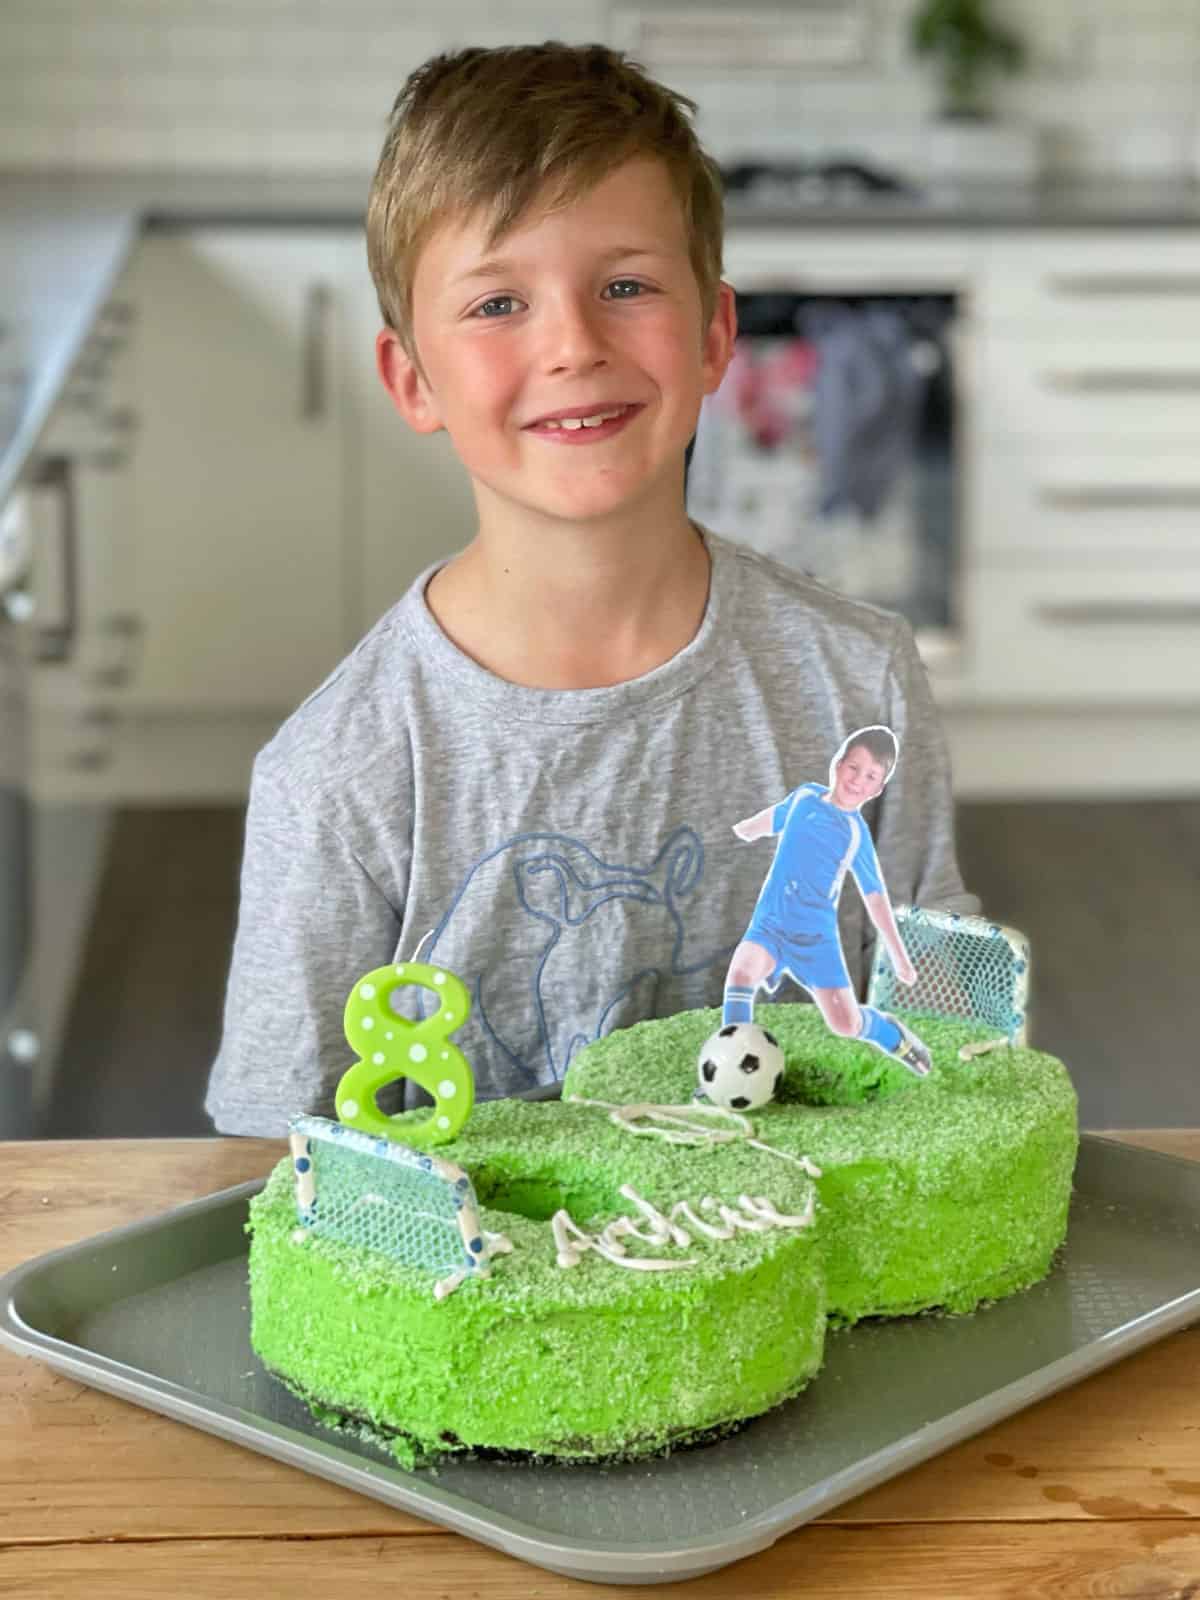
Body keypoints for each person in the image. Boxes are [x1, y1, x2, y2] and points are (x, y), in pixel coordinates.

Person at [205, 41, 977, 1136]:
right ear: (411, 380)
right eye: (496, 304)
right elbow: (276, 1156)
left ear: (715, 334)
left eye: (625, 286)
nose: (573, 343)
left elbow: (948, 1034)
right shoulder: (339, 772)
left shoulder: (863, 684)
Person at [720, 725, 932, 1077]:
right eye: (853, 768)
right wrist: (738, 832)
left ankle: (893, 1035)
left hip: (816, 940)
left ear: (878, 789)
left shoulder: (854, 834)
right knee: (741, 972)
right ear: (837, 765)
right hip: (771, 924)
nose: (857, 780)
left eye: (870, 776)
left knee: (845, 1024)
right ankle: (730, 1069)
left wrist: (899, 956)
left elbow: (875, 897)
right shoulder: (804, 797)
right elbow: (774, 818)